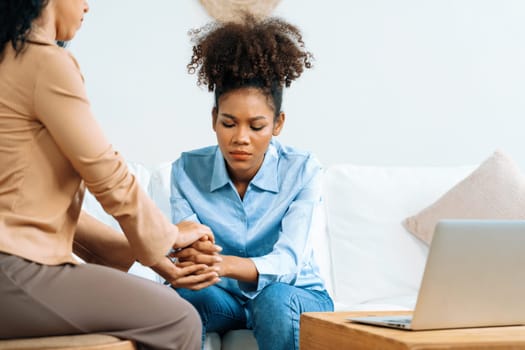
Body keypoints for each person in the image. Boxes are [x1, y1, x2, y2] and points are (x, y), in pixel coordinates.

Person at [0, 1, 221, 349]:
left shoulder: (9, 59)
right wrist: (169, 237)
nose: (88, 5)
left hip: (12, 272)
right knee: (180, 320)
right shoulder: (44, 62)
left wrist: (153, 256)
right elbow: (107, 172)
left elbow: (25, 205)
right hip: (12, 272)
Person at [168, 15, 334, 350]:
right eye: (229, 123)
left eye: (256, 126)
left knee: (272, 301)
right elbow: (187, 253)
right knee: (181, 297)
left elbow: (287, 263)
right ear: (214, 119)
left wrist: (223, 263)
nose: (240, 138)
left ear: (277, 124)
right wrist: (192, 255)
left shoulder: (302, 170)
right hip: (224, 299)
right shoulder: (186, 170)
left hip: (294, 296)